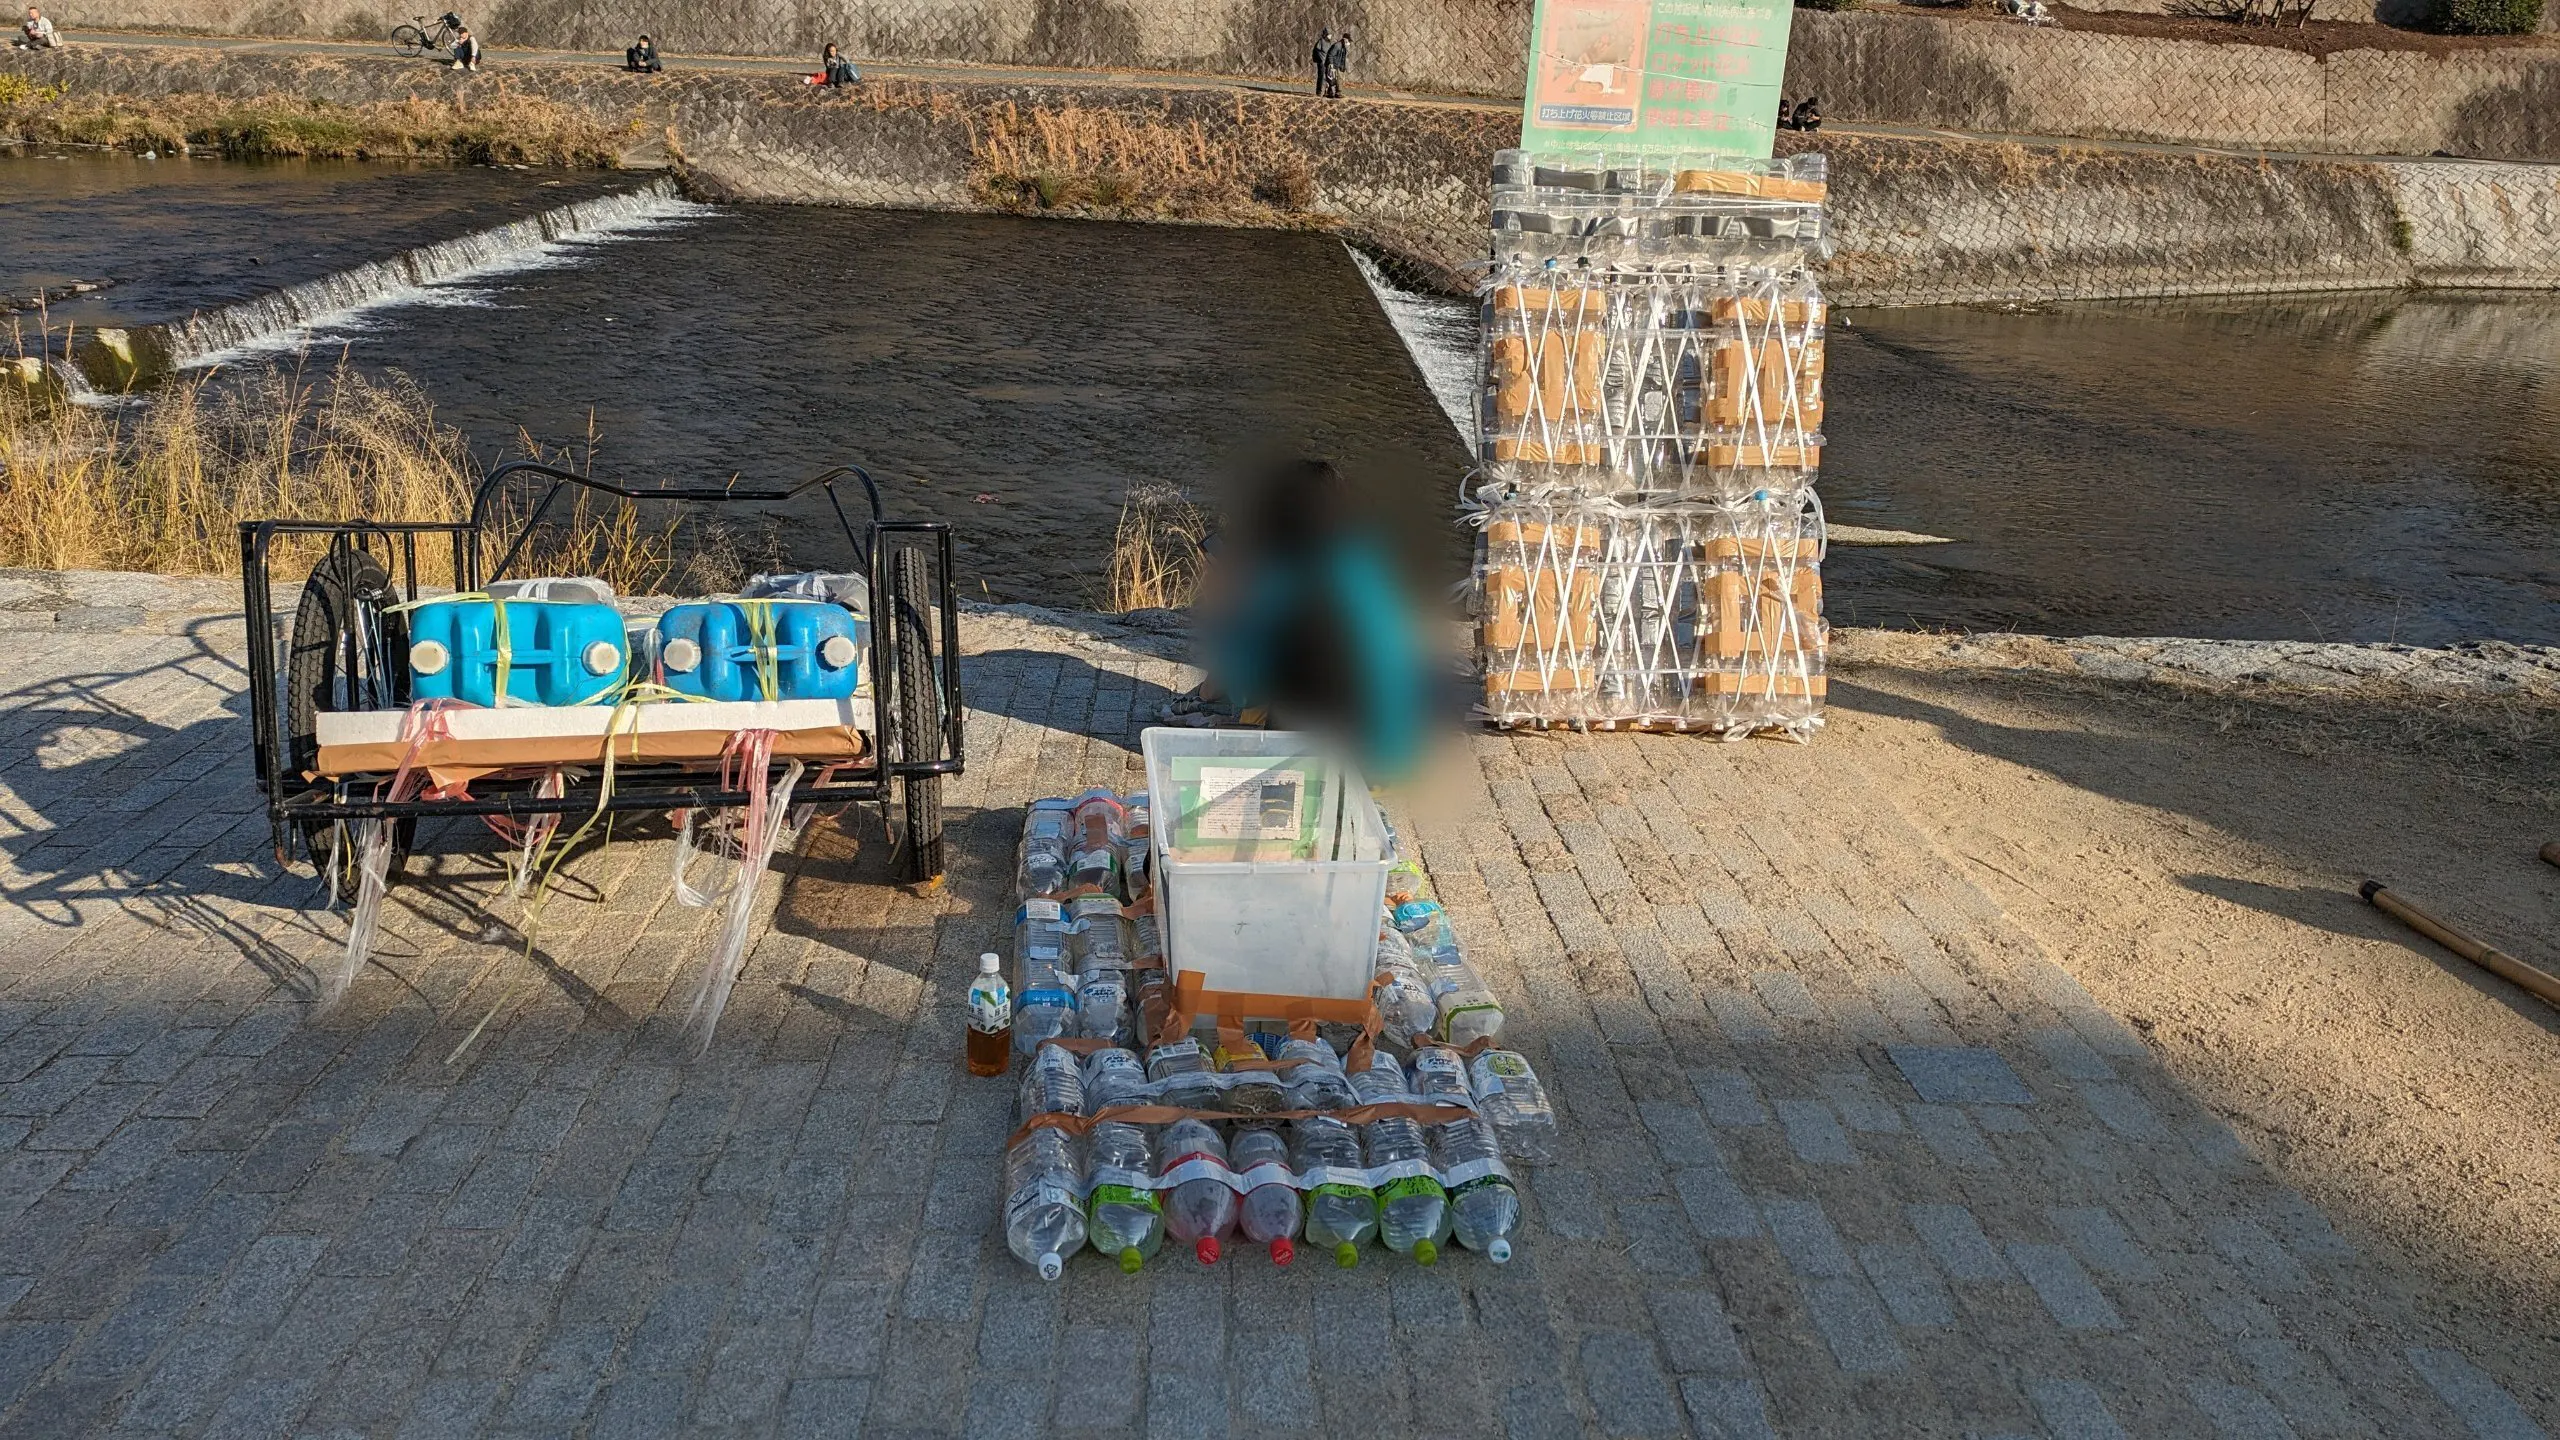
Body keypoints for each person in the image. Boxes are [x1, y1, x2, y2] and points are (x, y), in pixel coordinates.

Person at [1326, 28, 1350, 99]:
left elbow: (1343, 58)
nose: (1348, 43)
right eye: (1348, 41)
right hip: (1333, 64)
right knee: (1332, 79)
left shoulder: (1343, 47)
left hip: (1337, 65)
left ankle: (1335, 92)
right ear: (1345, 39)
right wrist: (1331, 65)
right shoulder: (1337, 46)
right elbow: (1330, 55)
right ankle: (1334, 92)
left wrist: (1342, 66)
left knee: (1336, 79)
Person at [1310, 28, 1330, 97]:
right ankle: (1319, 91)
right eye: (1329, 35)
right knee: (1321, 76)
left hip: (1327, 62)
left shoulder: (1329, 42)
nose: (1330, 36)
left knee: (1328, 77)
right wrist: (1321, 59)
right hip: (1322, 62)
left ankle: (1326, 91)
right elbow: (1316, 50)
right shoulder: (1321, 41)